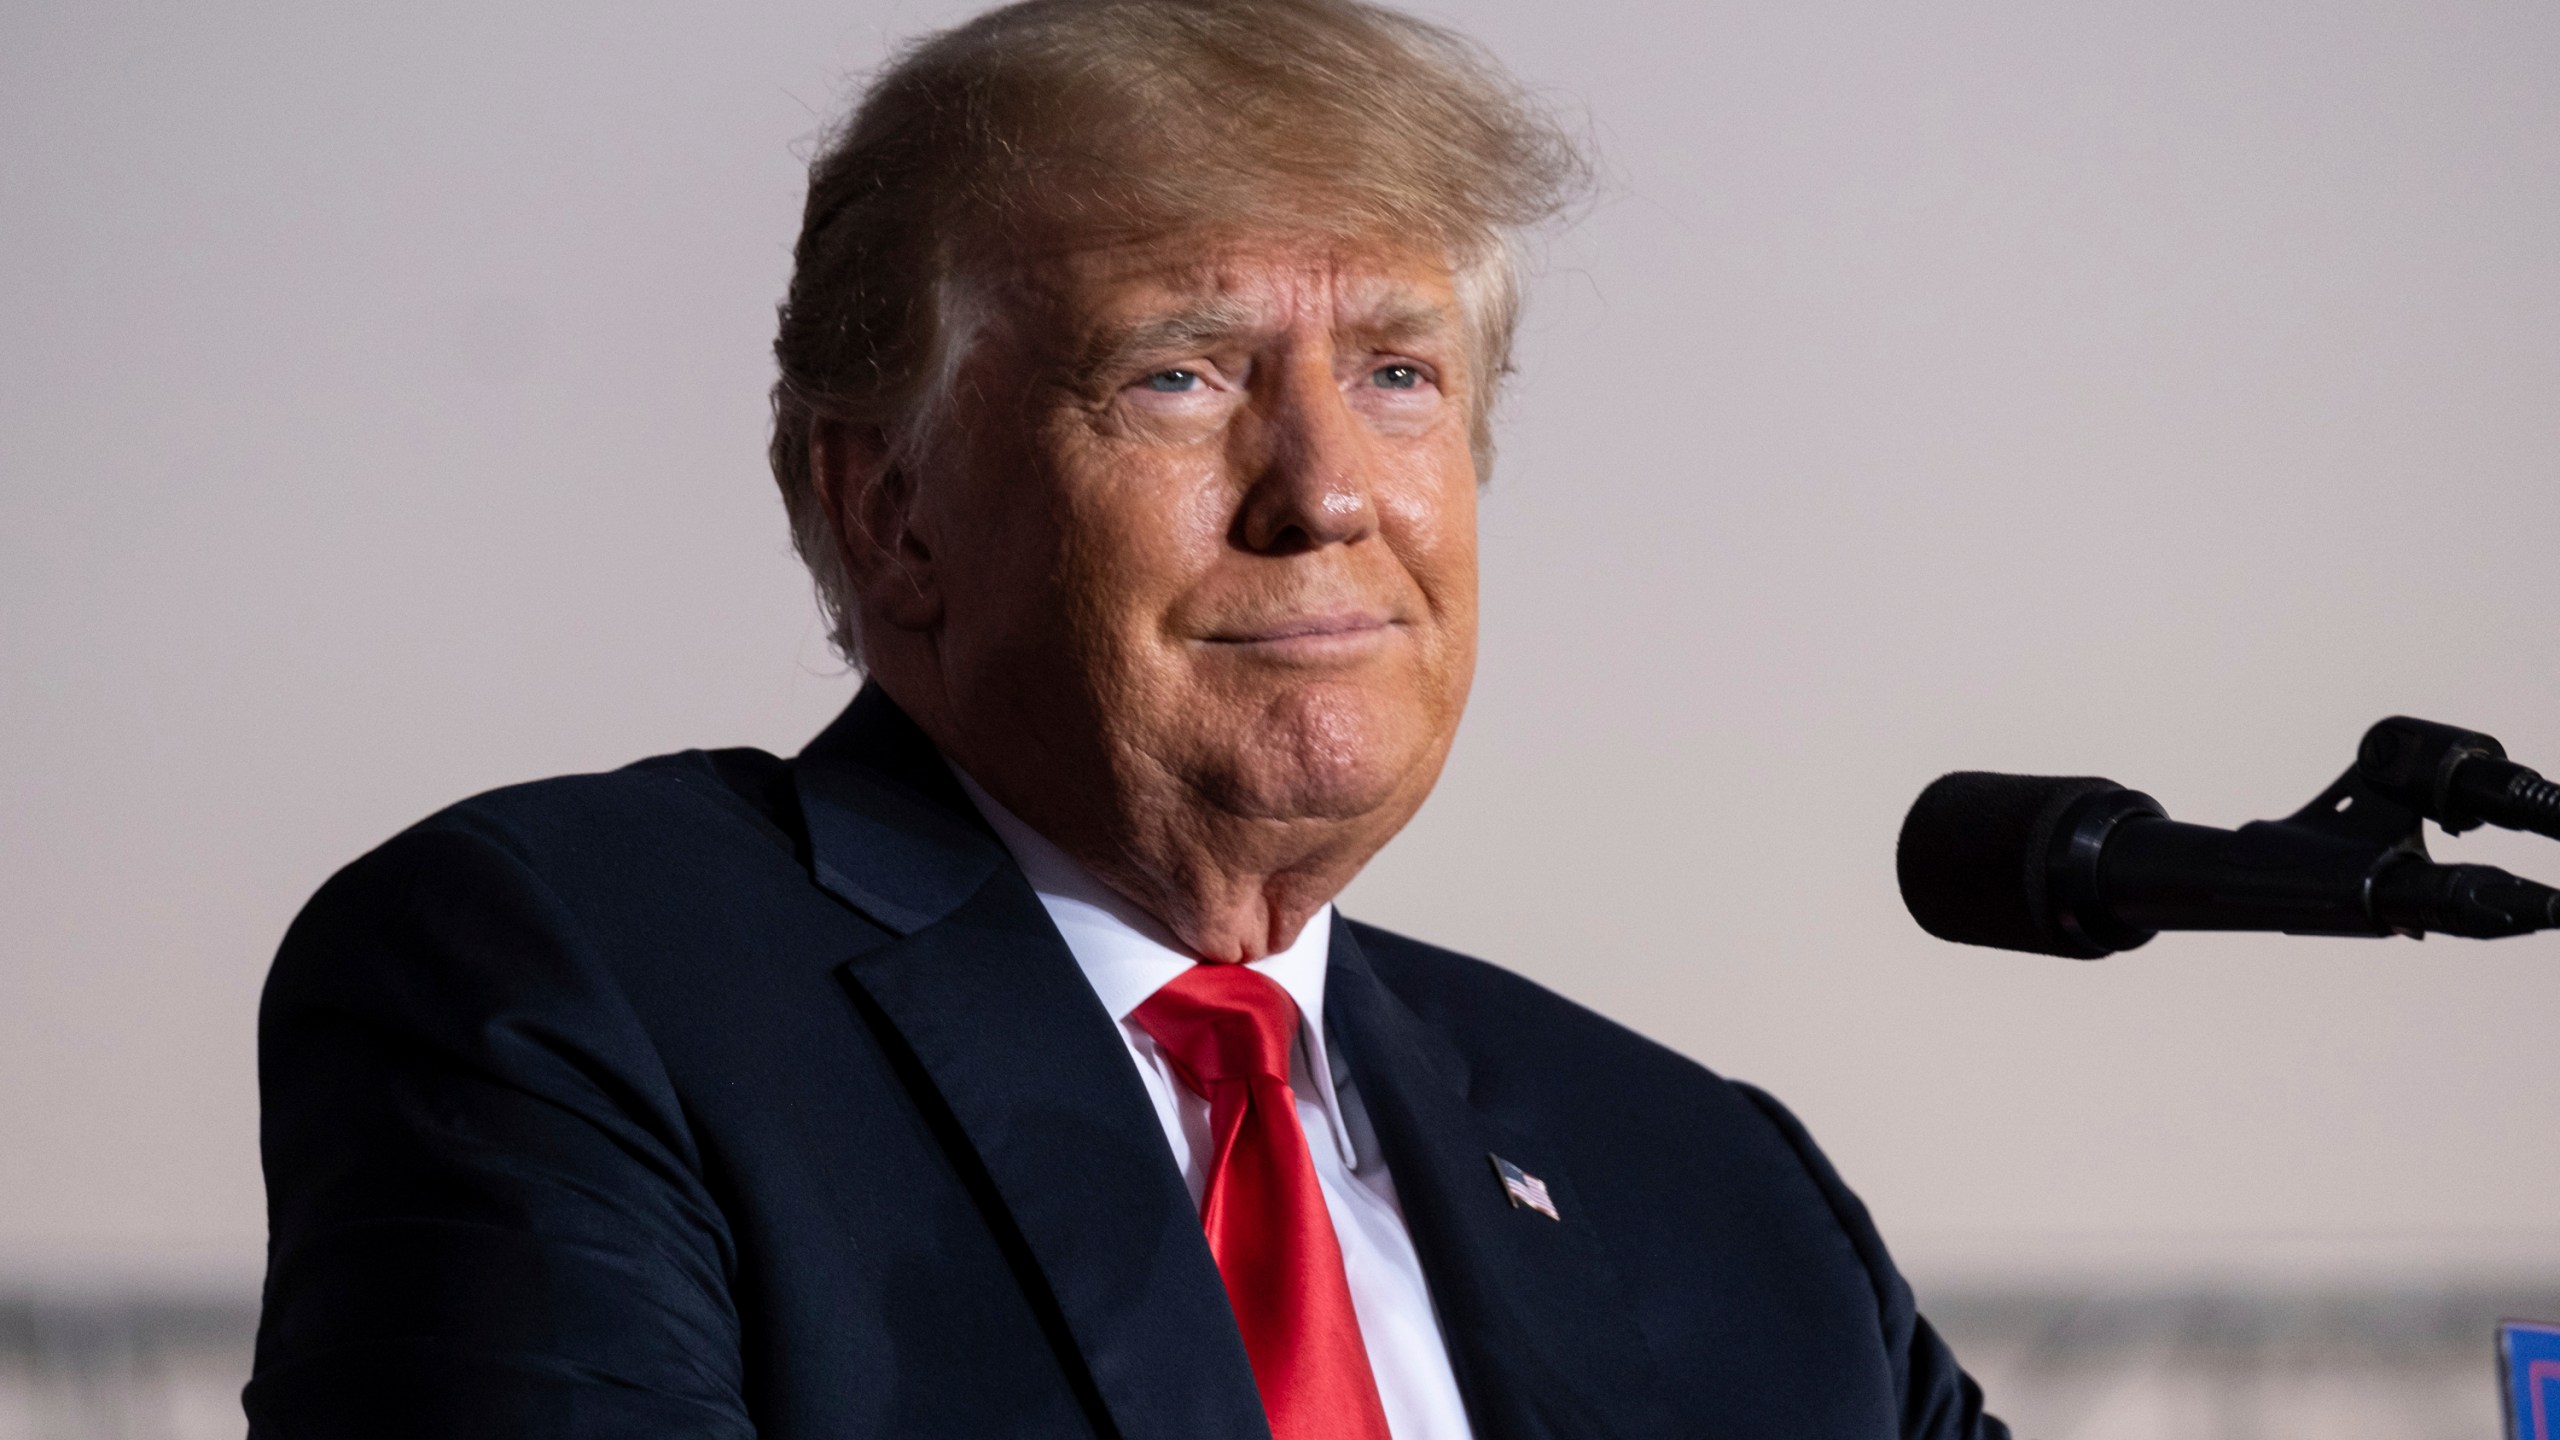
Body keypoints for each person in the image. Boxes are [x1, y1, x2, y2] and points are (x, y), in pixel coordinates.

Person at [246, 1, 2010, 1436]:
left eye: (1400, 374)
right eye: (1179, 374)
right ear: (895, 512)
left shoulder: (1711, 1191)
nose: (1326, 492)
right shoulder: (577, 981)